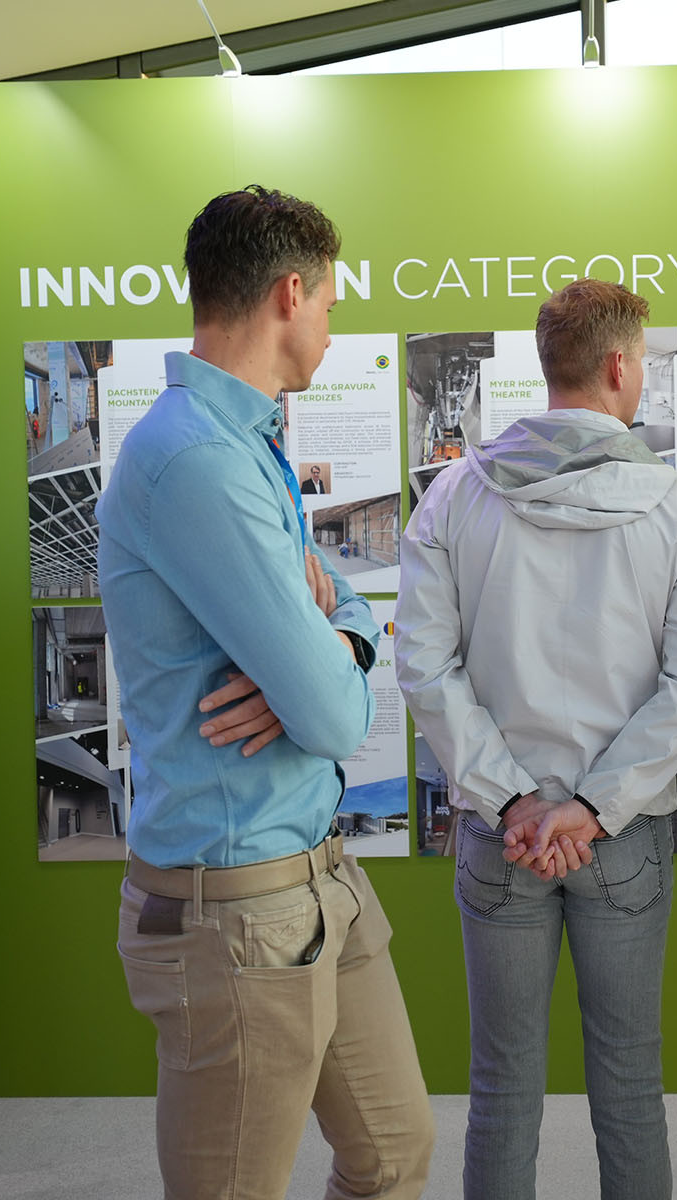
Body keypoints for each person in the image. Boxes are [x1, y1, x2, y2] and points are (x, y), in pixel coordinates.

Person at [98, 186, 432, 1197]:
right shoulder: (199, 457)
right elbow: (331, 717)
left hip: (319, 880)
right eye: (330, 302)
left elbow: (347, 608)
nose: (332, 324)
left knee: (394, 1153)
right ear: (291, 292)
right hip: (240, 908)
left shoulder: (243, 442)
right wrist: (319, 669)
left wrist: (337, 639)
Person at [397, 278, 677, 1200]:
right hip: (621, 836)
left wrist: (514, 800)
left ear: (551, 365)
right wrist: (590, 808)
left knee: (501, 1087)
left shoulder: (452, 497)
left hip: (499, 834)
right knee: (630, 1085)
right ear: (620, 366)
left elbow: (425, 668)